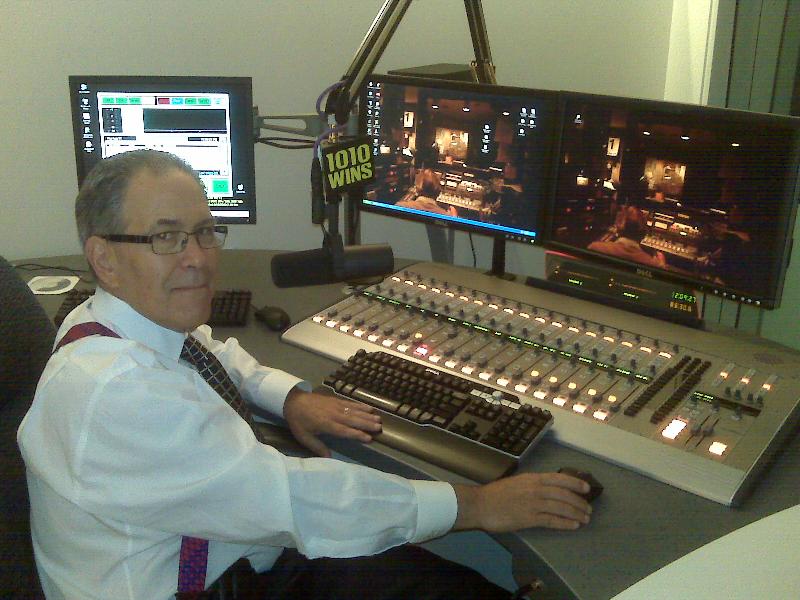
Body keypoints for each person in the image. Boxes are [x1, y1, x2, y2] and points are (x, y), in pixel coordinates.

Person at [18, 150, 592, 600]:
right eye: (166, 238)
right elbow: (294, 501)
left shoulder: (111, 320)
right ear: (104, 258)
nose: (197, 257)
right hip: (201, 585)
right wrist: (476, 506)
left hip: (216, 548)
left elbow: (208, 349)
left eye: (205, 231)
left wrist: (289, 397)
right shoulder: (116, 394)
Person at [588, 205, 666, 269]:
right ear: (643, 234)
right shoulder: (653, 265)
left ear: (618, 229)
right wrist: (661, 264)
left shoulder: (595, 248)